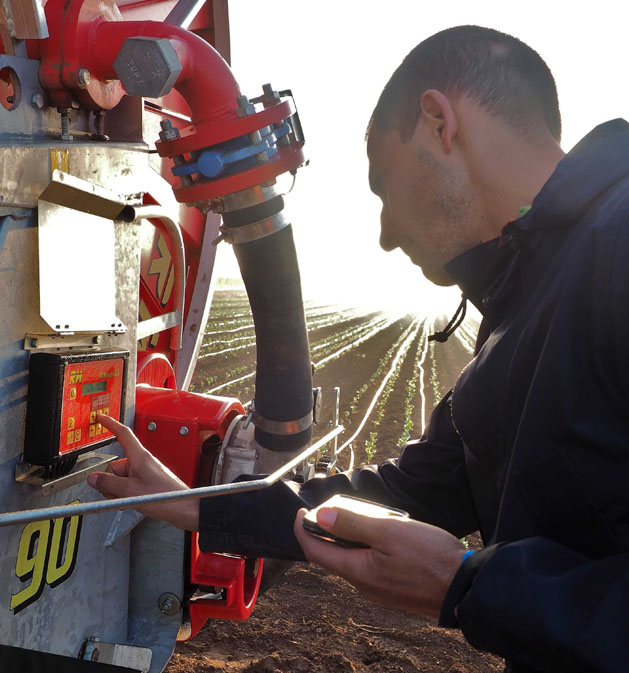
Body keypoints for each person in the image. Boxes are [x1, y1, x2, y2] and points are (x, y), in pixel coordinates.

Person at [89, 25, 629, 673]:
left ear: (438, 122)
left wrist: (471, 586)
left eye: (385, 187)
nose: (387, 235)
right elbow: (406, 491)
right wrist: (195, 503)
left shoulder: (615, 242)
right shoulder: (519, 310)